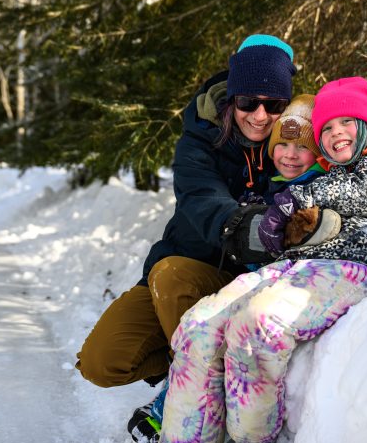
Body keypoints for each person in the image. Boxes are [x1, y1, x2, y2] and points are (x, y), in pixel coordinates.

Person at [120, 76, 367, 443]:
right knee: (199, 322)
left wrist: (298, 199)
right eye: (327, 128)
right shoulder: (325, 174)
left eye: (346, 122)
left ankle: (252, 442)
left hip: (358, 265)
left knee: (258, 321)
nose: (336, 132)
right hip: (299, 265)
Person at [75, 35, 298, 413]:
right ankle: (192, 365)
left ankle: (199, 391)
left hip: (243, 282)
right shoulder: (199, 139)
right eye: (248, 102)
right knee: (101, 361)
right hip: (180, 272)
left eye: (273, 104)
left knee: (171, 275)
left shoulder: (297, 140)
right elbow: (204, 203)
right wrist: (265, 228)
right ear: (232, 99)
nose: (259, 115)